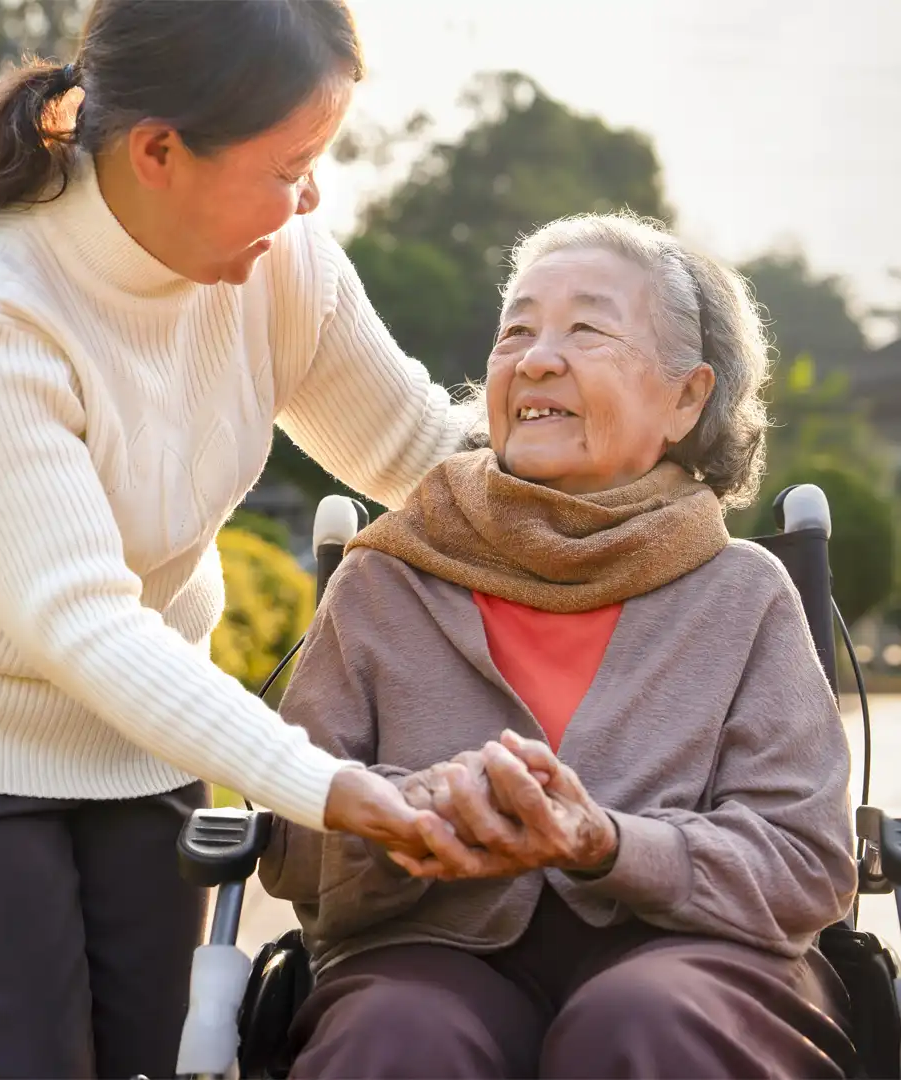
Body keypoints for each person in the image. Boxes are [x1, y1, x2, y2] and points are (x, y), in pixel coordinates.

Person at [0, 2, 468, 1077]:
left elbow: (419, 453)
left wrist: (633, 473)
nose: (311, 199)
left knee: (146, 1059)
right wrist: (324, 786)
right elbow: (80, 622)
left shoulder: (283, 261)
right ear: (158, 149)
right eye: (290, 164)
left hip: (139, 738)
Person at [260, 212, 860, 1079]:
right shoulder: (388, 578)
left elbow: (805, 863)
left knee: (642, 1019)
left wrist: (612, 845)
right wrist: (409, 810)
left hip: (699, 968)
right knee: (396, 1037)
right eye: (517, 330)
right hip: (423, 955)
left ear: (687, 397)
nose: (536, 357)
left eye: (586, 328)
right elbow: (289, 835)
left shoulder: (744, 596)